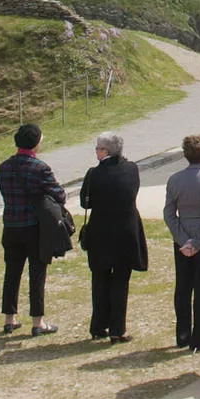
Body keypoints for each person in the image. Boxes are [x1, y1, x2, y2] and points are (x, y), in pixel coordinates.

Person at [79, 130, 148, 343]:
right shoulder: (131, 169)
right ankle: (118, 328)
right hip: (126, 230)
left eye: (98, 148)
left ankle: (98, 325)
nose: (96, 152)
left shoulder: (94, 174)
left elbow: (85, 202)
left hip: (100, 230)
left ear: (105, 151)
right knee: (121, 279)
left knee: (99, 278)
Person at [0, 123, 65, 337]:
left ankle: (9, 318)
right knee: (37, 274)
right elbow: (59, 194)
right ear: (36, 143)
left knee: (12, 272)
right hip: (34, 227)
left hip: (11, 225)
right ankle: (38, 321)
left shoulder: (4, 167)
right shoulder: (40, 168)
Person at [163, 134, 200, 352]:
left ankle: (183, 334)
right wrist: (198, 241)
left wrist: (183, 240)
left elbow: (169, 213)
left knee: (183, 288)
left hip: (182, 239)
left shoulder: (175, 179)